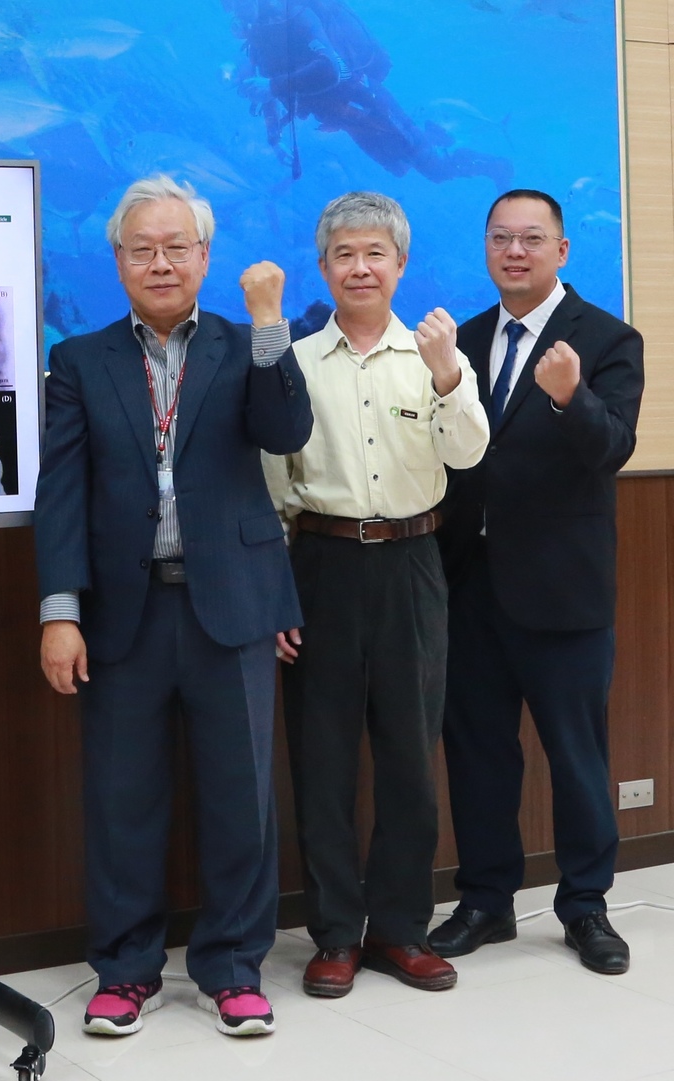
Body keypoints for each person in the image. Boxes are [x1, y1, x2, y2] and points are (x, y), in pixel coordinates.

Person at [36, 174, 312, 1038]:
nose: (159, 263)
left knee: (241, 800)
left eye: (176, 247)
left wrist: (270, 321)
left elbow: (286, 431)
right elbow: (62, 493)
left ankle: (233, 969)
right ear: (117, 259)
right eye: (141, 248)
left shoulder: (244, 345)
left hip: (231, 607)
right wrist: (58, 610)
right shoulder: (82, 361)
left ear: (203, 256)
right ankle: (124, 970)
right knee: (124, 801)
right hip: (124, 613)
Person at [262, 192, 489, 999]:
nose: (360, 267)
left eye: (375, 254)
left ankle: (400, 930)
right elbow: (273, 485)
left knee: (407, 759)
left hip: (412, 563)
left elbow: (466, 455)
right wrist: (278, 595)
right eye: (344, 255)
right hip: (319, 565)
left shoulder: (433, 352)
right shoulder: (295, 361)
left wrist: (448, 374)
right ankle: (333, 935)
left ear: (400, 263)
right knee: (320, 762)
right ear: (324, 268)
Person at [430, 189, 645, 974]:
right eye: (500, 238)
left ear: (562, 250)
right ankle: (486, 900)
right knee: (479, 752)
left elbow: (611, 449)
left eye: (531, 239)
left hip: (563, 590)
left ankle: (586, 906)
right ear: (486, 249)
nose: (513, 251)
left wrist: (571, 398)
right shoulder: (468, 337)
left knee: (576, 754)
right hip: (469, 584)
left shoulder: (609, 338)